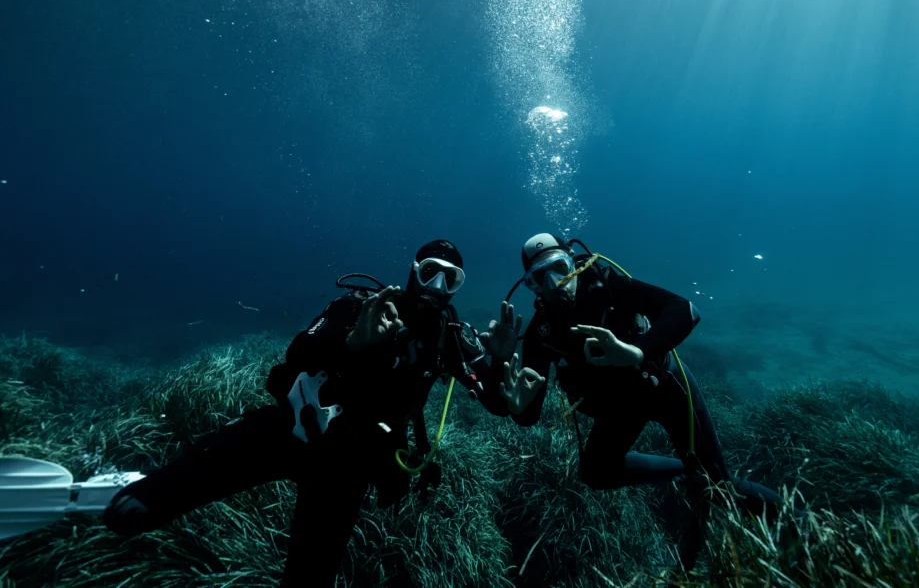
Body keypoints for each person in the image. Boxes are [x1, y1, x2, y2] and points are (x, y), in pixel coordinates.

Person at [103, 240, 507, 587]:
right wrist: (352, 345)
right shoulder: (360, 306)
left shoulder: (450, 338)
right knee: (206, 466)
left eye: (450, 279)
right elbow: (298, 352)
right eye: (430, 271)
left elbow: (493, 397)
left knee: (310, 576)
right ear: (413, 271)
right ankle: (143, 493)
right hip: (295, 430)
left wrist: (502, 371)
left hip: (351, 465)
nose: (437, 286)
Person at [480, 232, 801, 570]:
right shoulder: (540, 334)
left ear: (574, 262)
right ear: (530, 287)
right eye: (539, 279)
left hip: (662, 387)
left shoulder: (610, 289)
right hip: (618, 408)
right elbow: (528, 413)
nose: (554, 283)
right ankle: (683, 470)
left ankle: (805, 523)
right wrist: (505, 374)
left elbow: (684, 309)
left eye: (559, 268)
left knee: (718, 488)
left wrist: (638, 351)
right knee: (596, 474)